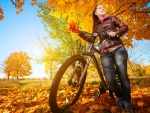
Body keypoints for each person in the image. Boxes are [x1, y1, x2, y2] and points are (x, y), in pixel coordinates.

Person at [77, 5, 133, 113]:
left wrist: (116, 33)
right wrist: (80, 33)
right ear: (95, 13)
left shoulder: (112, 18)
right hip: (105, 53)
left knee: (123, 76)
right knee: (110, 80)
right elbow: (92, 39)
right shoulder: (96, 26)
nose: (102, 8)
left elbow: (125, 27)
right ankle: (120, 96)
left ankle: (126, 102)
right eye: (99, 8)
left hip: (118, 49)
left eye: (103, 7)